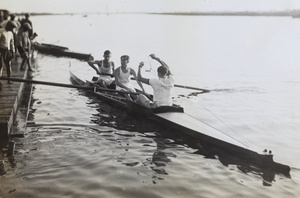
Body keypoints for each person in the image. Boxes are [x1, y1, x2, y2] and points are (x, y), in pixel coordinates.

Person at [0, 21, 16, 89]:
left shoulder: (11, 33)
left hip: (8, 50)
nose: (12, 29)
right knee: (0, 66)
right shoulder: (1, 31)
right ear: (8, 26)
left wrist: (13, 51)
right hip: (1, 49)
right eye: (11, 28)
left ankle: (9, 79)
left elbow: (12, 43)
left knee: (8, 65)